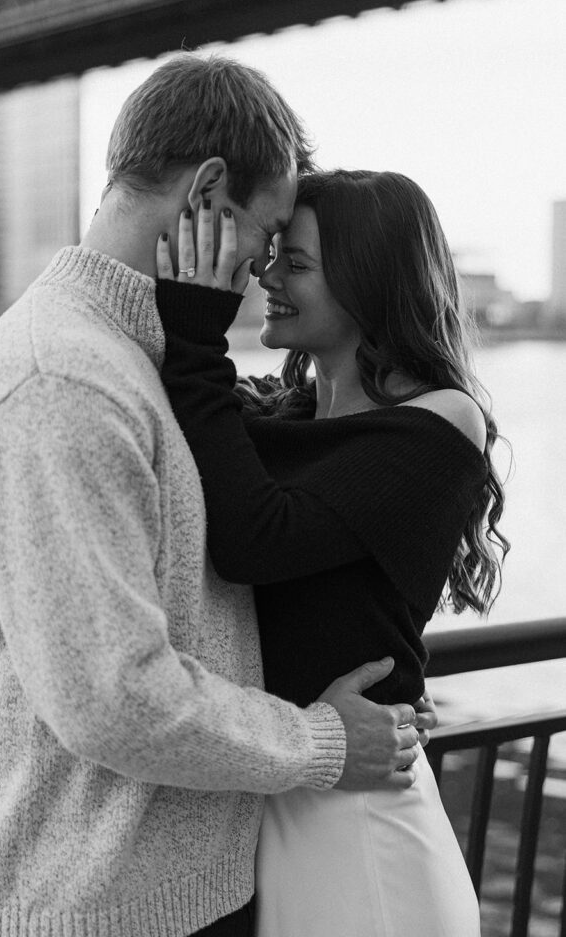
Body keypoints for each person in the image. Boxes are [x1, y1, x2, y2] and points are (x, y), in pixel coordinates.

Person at [0, 57, 431, 937]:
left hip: (164, 892)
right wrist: (320, 742)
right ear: (207, 193)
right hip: (91, 912)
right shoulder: (62, 381)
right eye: (265, 237)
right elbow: (112, 698)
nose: (263, 270)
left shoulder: (139, 360)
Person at [155, 168, 510, 936]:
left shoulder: (441, 421)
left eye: (297, 264)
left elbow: (256, 537)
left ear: (367, 282)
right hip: (283, 782)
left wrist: (196, 330)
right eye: (273, 252)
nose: (265, 275)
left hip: (355, 825)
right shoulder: (283, 414)